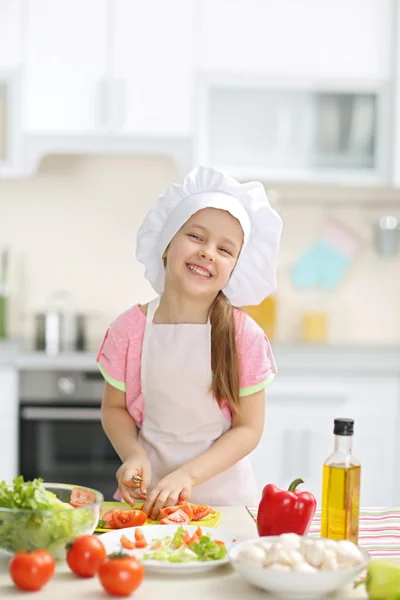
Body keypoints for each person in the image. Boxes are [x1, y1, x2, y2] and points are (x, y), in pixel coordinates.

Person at [97, 166, 282, 519]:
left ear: (235, 268)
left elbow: (249, 428)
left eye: (225, 249)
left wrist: (188, 476)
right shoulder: (129, 329)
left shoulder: (243, 336)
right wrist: (133, 456)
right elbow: (114, 409)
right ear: (165, 245)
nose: (208, 252)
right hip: (148, 500)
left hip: (225, 504)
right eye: (196, 237)